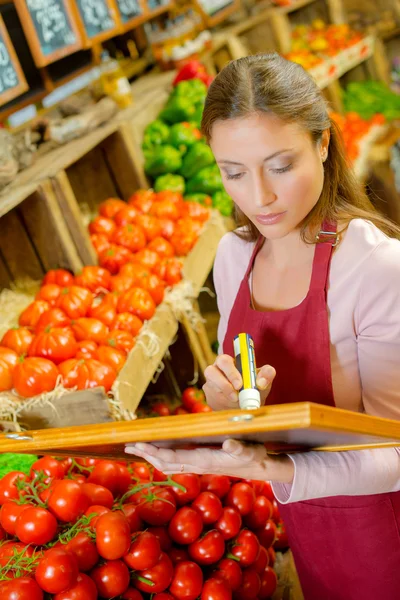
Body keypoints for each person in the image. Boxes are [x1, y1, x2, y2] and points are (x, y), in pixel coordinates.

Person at [126, 53, 400, 599]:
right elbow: (257, 415)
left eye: (279, 165)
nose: (259, 197)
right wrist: (228, 407)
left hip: (384, 531)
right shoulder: (233, 257)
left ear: (323, 143)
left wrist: (268, 467)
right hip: (303, 525)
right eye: (233, 173)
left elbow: (395, 456)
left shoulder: (375, 265)